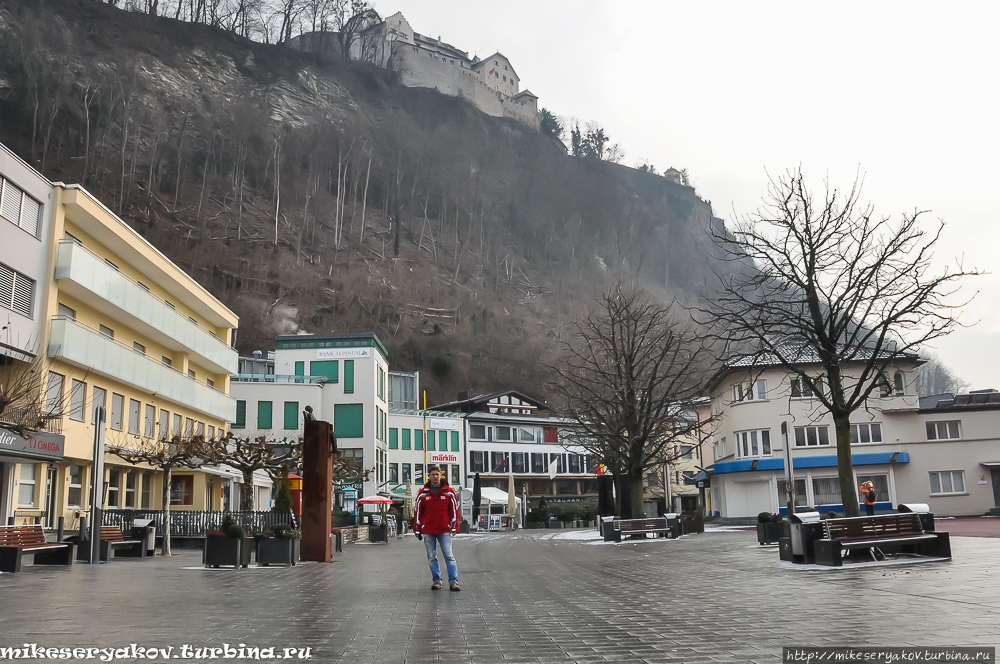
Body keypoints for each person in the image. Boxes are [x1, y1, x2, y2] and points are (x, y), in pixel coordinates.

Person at [413, 465, 460, 591]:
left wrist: (455, 526)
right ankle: (437, 581)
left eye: (437, 474)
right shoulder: (423, 493)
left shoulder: (449, 492)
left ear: (441, 476)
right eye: (432, 474)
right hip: (428, 529)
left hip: (444, 529)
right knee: (432, 557)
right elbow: (418, 511)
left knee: (449, 555)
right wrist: (417, 529)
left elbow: (454, 510)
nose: (435, 477)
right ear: (429, 476)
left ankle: (453, 582)